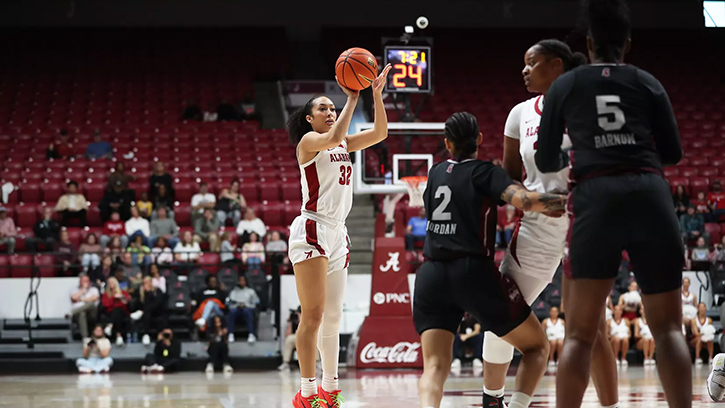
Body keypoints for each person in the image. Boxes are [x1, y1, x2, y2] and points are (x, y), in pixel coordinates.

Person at [534, 1, 689, 405]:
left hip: (596, 194)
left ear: (588, 42)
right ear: (628, 44)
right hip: (648, 192)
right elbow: (672, 153)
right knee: (669, 329)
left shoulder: (565, 86)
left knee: (580, 334)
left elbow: (547, 159)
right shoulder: (647, 82)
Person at [484, 38, 619, 408]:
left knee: (594, 331)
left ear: (556, 65)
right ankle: (494, 400)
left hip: (584, 222)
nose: (524, 70)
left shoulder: (589, 106)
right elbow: (511, 177)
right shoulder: (520, 113)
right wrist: (529, 200)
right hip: (538, 225)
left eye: (532, 63)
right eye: (523, 64)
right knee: (501, 313)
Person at [414, 112, 567, 408]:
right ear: (480, 140)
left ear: (447, 144)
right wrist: (566, 202)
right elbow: (523, 200)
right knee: (537, 347)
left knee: (433, 368)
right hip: (472, 272)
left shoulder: (433, 173)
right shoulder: (485, 172)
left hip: (431, 273)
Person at [285, 63, 392, 408]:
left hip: (338, 231)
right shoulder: (309, 143)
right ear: (308, 118)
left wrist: (375, 96)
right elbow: (333, 137)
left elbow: (379, 134)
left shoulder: (342, 141)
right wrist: (352, 97)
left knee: (333, 315)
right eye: (323, 108)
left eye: (333, 107)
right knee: (312, 315)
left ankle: (330, 389)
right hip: (313, 227)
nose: (330, 112)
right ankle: (306, 391)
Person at [131, 277, 167, 346]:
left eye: (147, 282)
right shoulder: (140, 292)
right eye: (144, 283)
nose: (146, 284)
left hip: (157, 311)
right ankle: (146, 335)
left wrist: (149, 293)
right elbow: (138, 305)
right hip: (147, 313)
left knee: (148, 311)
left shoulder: (157, 290)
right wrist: (145, 294)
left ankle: (142, 313)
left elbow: (157, 303)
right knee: (147, 314)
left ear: (151, 282)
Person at [226, 276, 260, 343]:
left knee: (248, 312)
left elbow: (256, 302)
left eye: (243, 280)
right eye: (240, 280)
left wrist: (246, 305)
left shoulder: (251, 291)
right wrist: (237, 305)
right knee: (232, 312)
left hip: (247, 308)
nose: (242, 282)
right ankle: (230, 334)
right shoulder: (233, 292)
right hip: (236, 308)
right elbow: (229, 303)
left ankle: (251, 334)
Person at [100, 277, 131, 346]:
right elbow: (106, 305)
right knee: (115, 312)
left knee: (118, 310)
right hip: (110, 313)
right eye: (109, 283)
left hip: (122, 312)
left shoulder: (123, 292)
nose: (111, 284)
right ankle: (118, 336)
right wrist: (113, 297)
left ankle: (110, 325)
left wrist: (120, 297)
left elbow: (125, 305)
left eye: (112, 282)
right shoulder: (106, 294)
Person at [70, 273, 101, 341]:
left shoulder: (93, 289)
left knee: (91, 304)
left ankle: (72, 313)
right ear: (80, 282)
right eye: (84, 281)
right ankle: (85, 337)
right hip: (78, 314)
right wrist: (82, 290)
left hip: (91, 313)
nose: (86, 282)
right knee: (82, 313)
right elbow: (73, 298)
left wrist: (80, 299)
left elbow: (94, 299)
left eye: (87, 281)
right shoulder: (74, 290)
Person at [278, 306, 302, 371]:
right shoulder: (295, 320)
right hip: (297, 337)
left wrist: (302, 320)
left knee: (314, 340)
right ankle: (286, 362)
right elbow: (287, 335)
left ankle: (317, 363)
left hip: (308, 336)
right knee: (289, 339)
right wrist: (291, 322)